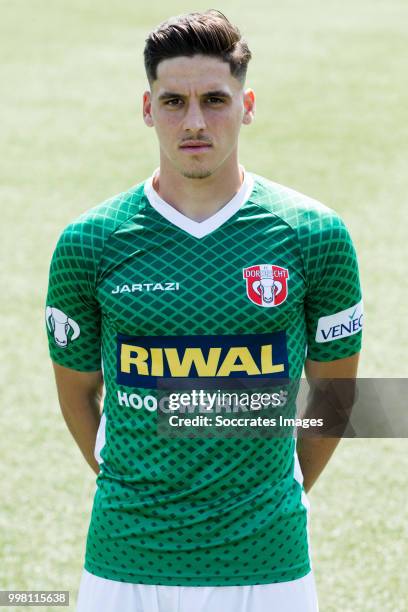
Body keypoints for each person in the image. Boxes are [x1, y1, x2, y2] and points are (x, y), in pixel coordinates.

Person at [45, 10, 363, 612]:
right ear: (147, 107)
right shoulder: (90, 242)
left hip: (266, 559)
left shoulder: (314, 235)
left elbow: (336, 399)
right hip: (125, 556)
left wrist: (273, 490)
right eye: (173, 101)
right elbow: (76, 395)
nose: (194, 121)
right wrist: (136, 489)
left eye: (214, 99)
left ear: (247, 105)